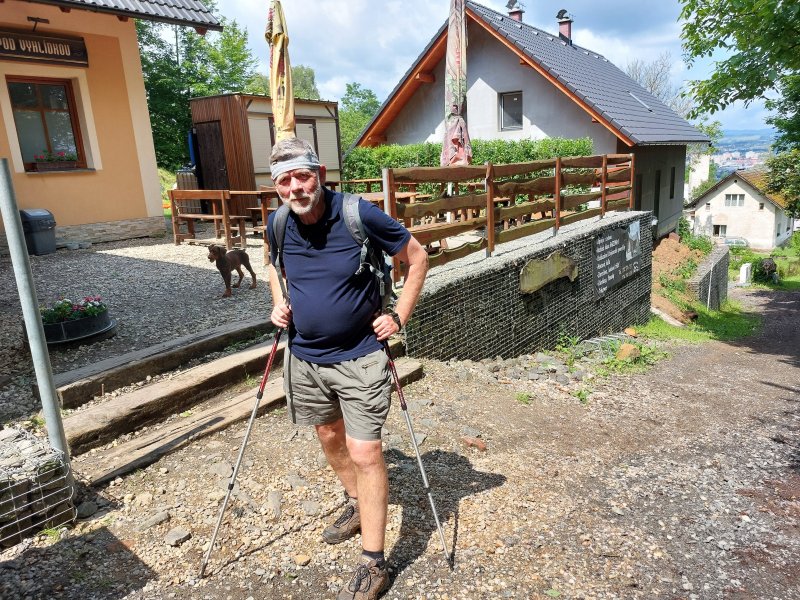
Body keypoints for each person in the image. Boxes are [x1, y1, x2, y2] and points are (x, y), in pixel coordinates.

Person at [266, 138, 429, 599]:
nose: (295, 188)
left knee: (365, 453)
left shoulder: (359, 214)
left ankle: (373, 562)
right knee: (328, 436)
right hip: (305, 357)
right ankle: (357, 503)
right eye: (284, 181)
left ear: (318, 172)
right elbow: (274, 267)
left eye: (301, 176)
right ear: (276, 187)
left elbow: (417, 257)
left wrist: (399, 315)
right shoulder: (277, 224)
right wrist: (279, 304)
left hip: (359, 355)